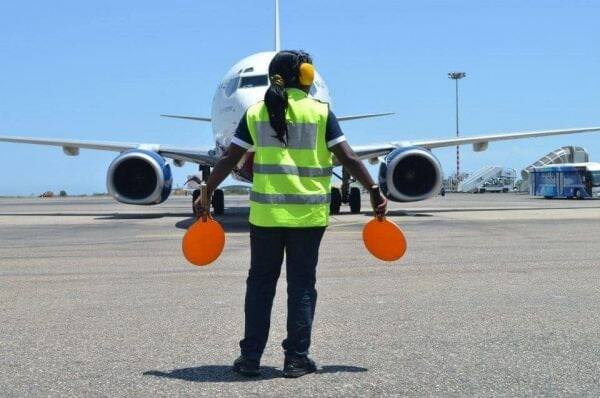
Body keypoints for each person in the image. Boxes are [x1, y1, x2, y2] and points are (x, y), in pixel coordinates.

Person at [195, 50, 387, 378]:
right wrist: (373, 191)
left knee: (260, 286)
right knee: (301, 287)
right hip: (308, 220)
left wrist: (207, 191)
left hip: (267, 218)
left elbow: (229, 159)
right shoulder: (320, 112)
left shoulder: (256, 113)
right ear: (306, 75)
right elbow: (350, 158)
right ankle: (297, 359)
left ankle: (250, 359)